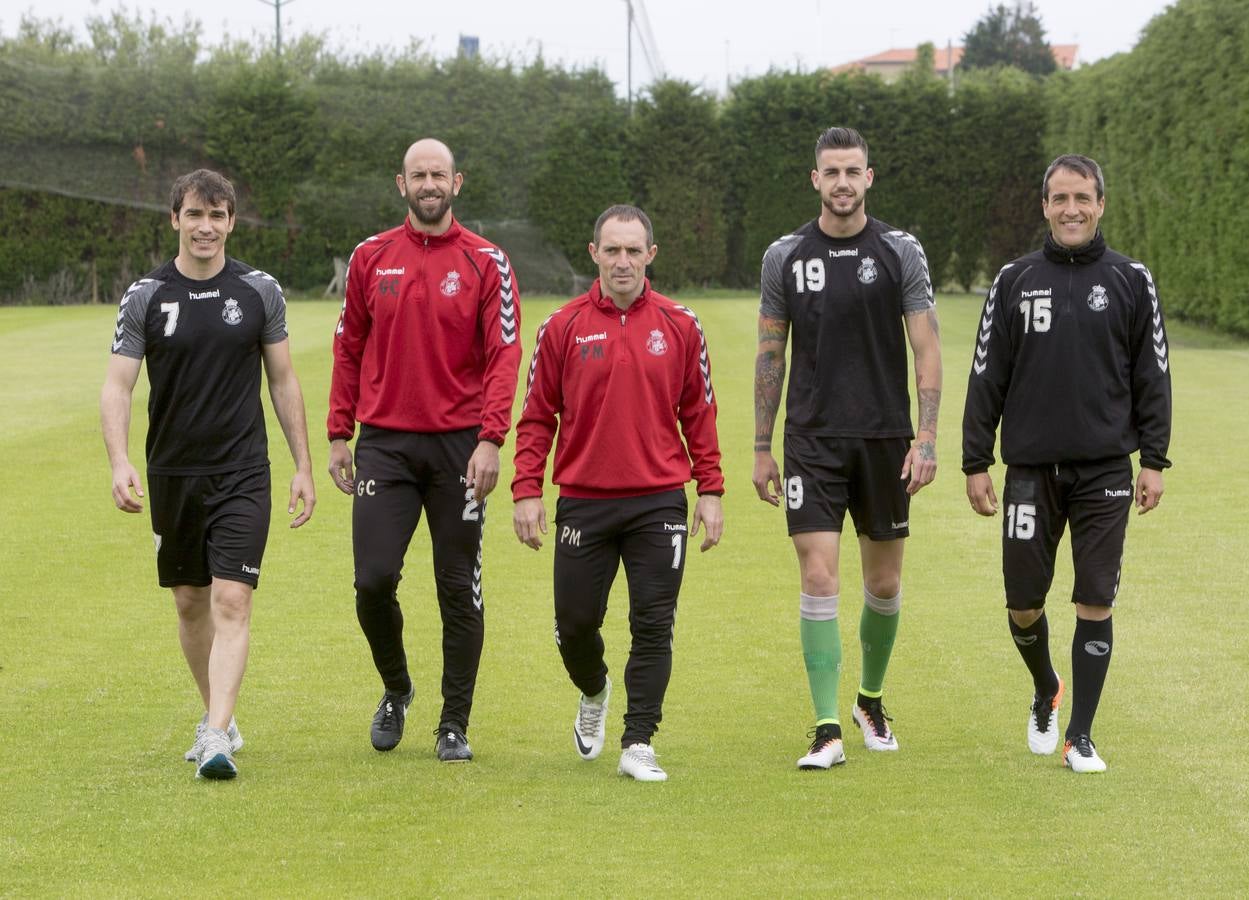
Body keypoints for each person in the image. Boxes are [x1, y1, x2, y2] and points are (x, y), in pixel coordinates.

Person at [100, 168, 316, 781]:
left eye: (217, 216)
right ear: (175, 219)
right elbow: (118, 386)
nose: (206, 226)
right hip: (173, 473)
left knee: (231, 595)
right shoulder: (145, 296)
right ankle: (215, 714)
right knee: (191, 601)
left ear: (231, 222)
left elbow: (282, 380)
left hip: (243, 470)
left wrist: (301, 464)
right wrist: (119, 462)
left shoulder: (258, 290)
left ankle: (217, 734)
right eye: (194, 214)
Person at [962, 154, 1171, 774]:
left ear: (1101, 203)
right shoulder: (1014, 280)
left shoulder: (1132, 279)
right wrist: (977, 460)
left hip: (1106, 472)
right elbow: (985, 374)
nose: (1071, 209)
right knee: (1023, 604)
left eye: (1082, 197)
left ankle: (1081, 735)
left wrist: (1153, 459)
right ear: (1045, 206)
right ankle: (1045, 685)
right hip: (1029, 471)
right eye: (1059, 198)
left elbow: (1153, 375)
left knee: (1094, 599)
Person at [512, 205, 724, 783]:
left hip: (659, 500)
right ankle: (594, 689)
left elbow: (699, 413)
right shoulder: (561, 326)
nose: (623, 261)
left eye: (634, 250)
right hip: (583, 498)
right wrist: (526, 489)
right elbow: (536, 418)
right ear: (594, 254)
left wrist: (711, 489)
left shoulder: (680, 325)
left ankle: (639, 741)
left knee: (654, 623)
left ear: (650, 255)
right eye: (613, 250)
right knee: (574, 625)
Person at [753, 126, 942, 770]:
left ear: (869, 177)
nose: (841, 183)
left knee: (884, 584)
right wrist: (760, 445)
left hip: (886, 438)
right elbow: (770, 352)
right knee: (818, 575)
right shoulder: (784, 255)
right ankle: (826, 726)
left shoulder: (900, 249)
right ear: (815, 179)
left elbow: (926, 347)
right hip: (812, 439)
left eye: (852, 171)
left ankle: (870, 698)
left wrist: (928, 437)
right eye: (830, 172)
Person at [328, 138, 521, 762]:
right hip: (384, 445)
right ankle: (397, 687)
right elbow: (348, 347)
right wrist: (339, 433)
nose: (429, 183)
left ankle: (454, 724)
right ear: (401, 183)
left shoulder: (488, 261)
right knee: (372, 581)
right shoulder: (370, 256)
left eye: (439, 174)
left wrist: (491, 438)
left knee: (456, 586)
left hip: (461, 450)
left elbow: (504, 356)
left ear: (457, 182)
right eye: (419, 174)